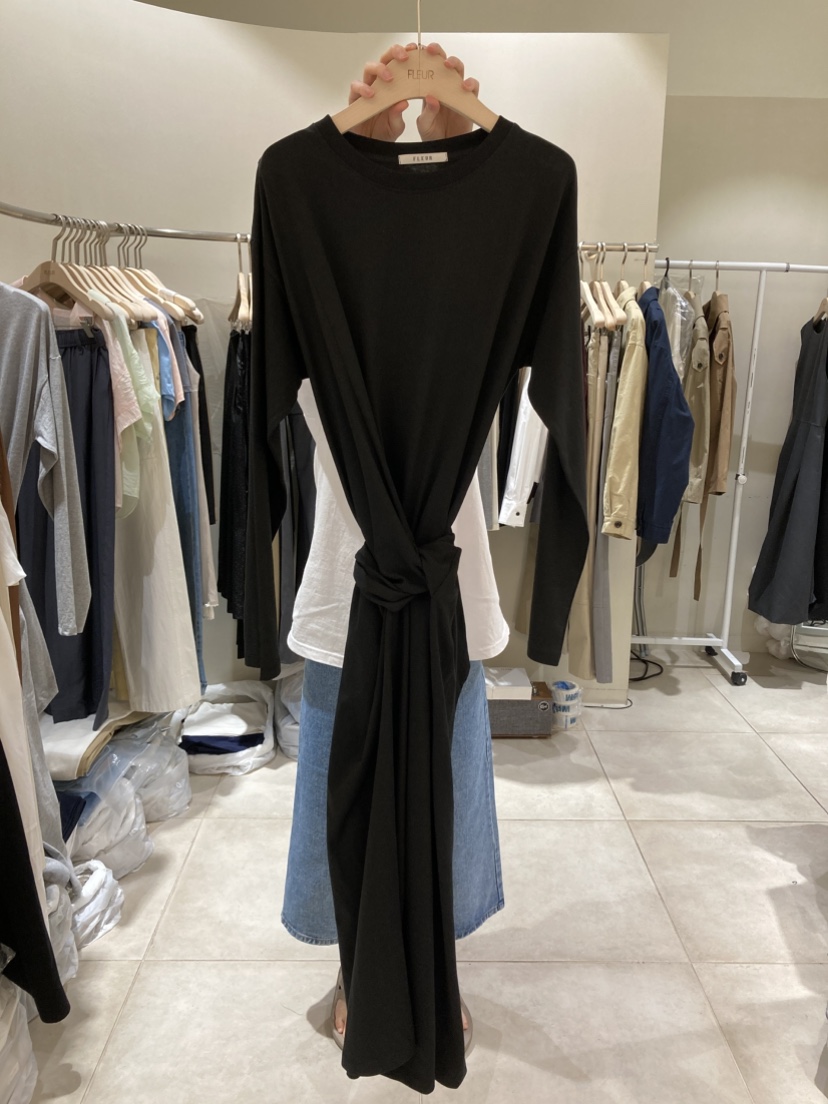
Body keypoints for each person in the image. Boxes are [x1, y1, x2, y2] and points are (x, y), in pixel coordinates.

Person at [278, 42, 505, 1052]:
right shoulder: (312, 252)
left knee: (444, 799)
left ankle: (434, 970)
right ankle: (355, 972)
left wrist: (465, 149)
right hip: (349, 585)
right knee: (349, 797)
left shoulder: (486, 264)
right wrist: (355, 150)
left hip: (451, 590)